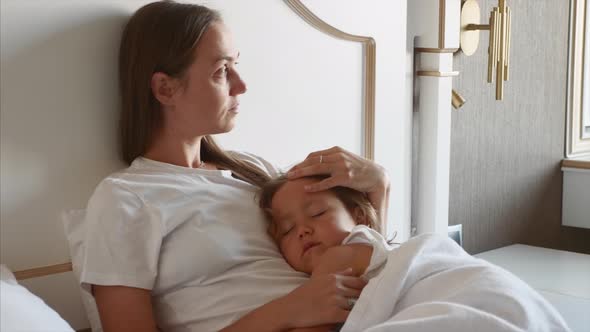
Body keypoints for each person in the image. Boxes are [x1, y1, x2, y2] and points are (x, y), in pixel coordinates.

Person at [80, 1, 390, 332]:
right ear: (165, 88)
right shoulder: (125, 198)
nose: (241, 85)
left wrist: (379, 188)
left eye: (236, 66)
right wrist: (290, 309)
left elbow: (361, 260)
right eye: (222, 71)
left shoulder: (256, 172)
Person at [258, 174, 391, 279]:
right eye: (287, 229)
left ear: (359, 217)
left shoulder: (356, 246)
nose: (302, 231)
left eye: (317, 213)